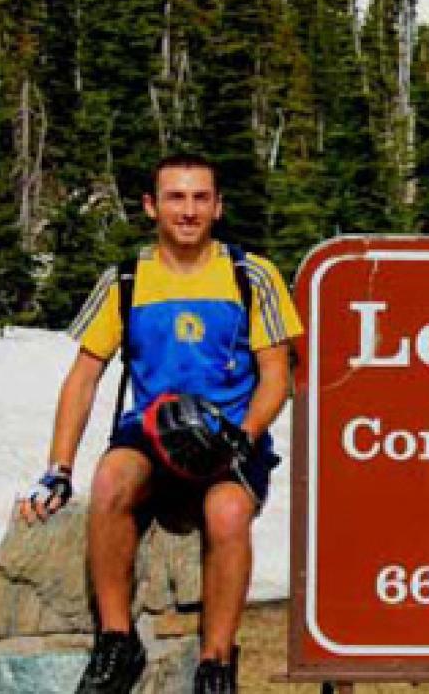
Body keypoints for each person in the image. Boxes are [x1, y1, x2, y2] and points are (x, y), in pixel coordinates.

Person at [19, 153, 303, 694]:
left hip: (229, 435)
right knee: (110, 481)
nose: (188, 211)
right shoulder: (125, 279)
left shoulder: (252, 275)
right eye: (176, 197)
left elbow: (276, 375)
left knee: (225, 515)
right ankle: (117, 642)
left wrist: (242, 436)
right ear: (152, 206)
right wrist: (57, 468)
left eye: (200, 198)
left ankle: (215, 663)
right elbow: (83, 377)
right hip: (151, 431)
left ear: (218, 207)